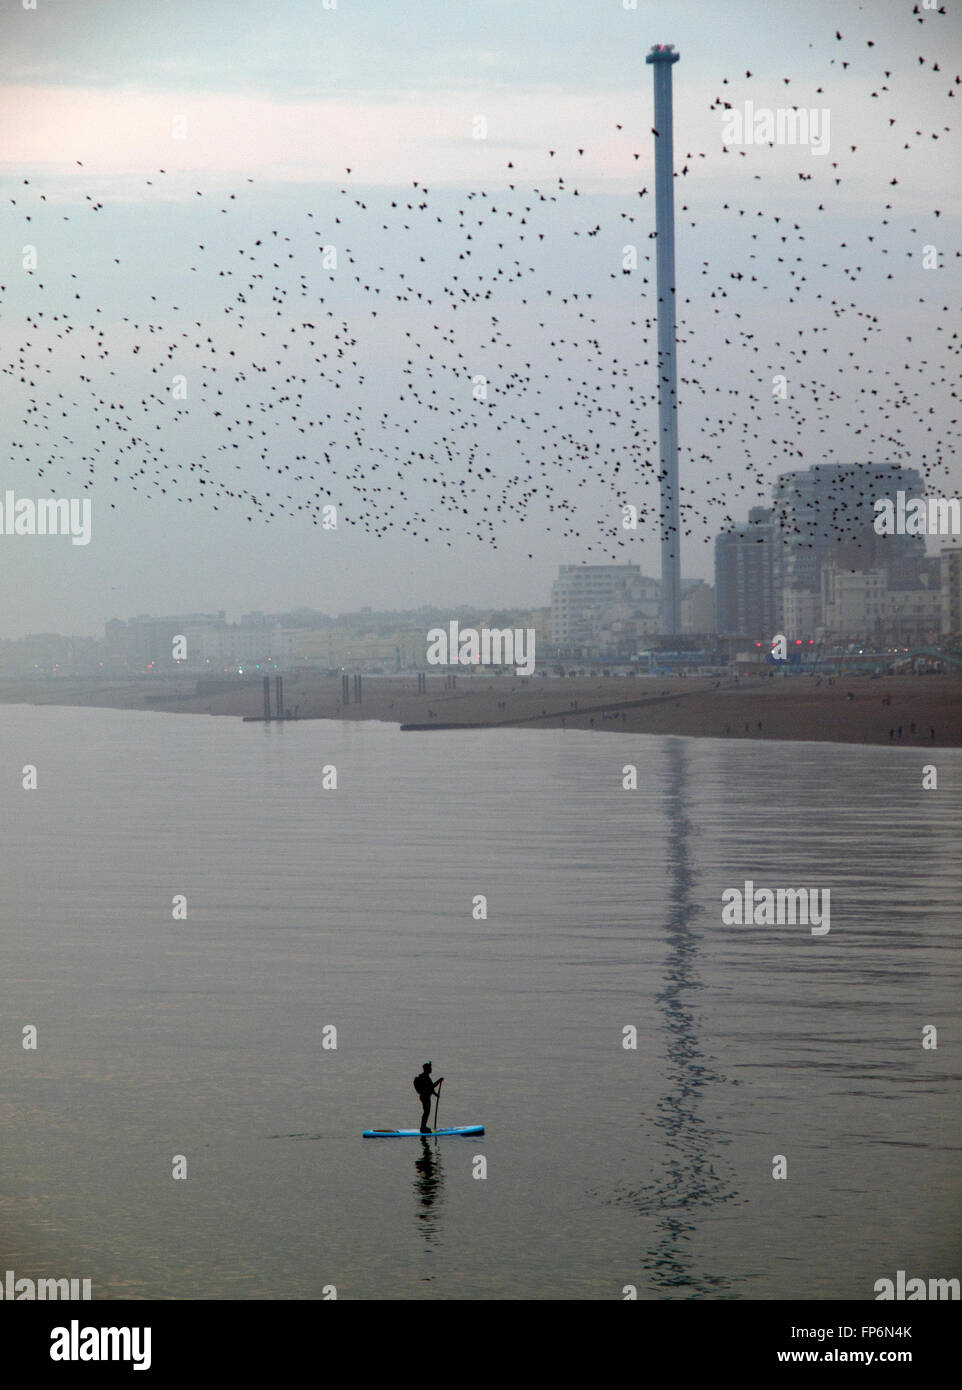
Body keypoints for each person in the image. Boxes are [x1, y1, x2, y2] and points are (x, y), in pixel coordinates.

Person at [413, 1062, 443, 1133]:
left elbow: (429, 1088)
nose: (431, 1069)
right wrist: (439, 1080)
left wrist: (436, 1094)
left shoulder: (425, 1077)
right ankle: (423, 1128)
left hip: (425, 1097)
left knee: (426, 1112)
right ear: (427, 1069)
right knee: (426, 1112)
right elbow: (432, 1086)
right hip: (425, 1097)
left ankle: (423, 1127)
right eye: (430, 1068)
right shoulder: (425, 1077)